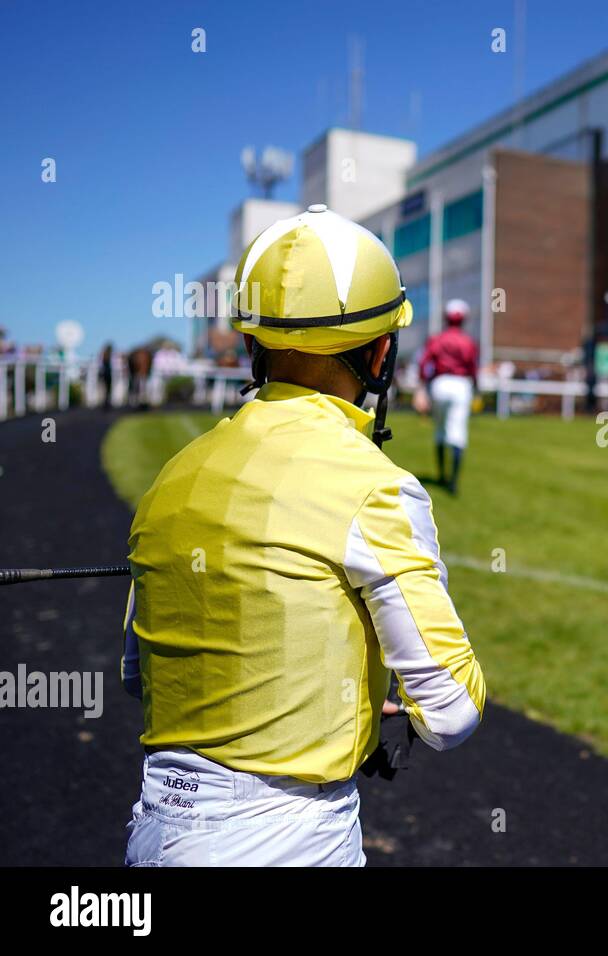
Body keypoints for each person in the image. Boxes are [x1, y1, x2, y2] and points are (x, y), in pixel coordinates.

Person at [121, 205, 485, 866]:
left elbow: (134, 674)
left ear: (253, 343)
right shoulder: (375, 485)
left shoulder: (171, 477)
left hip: (152, 830)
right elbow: (451, 709)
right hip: (286, 839)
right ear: (381, 351)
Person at [418, 299, 479, 495]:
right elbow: (473, 368)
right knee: (457, 431)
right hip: (461, 385)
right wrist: (476, 388)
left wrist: (422, 387)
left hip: (440, 384)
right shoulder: (468, 341)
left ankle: (441, 475)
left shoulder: (437, 339)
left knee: (440, 430)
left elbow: (424, 363)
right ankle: (453, 482)